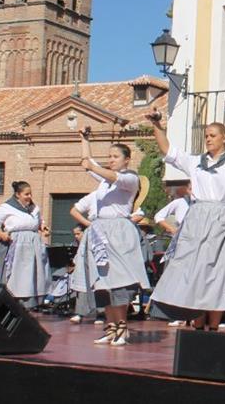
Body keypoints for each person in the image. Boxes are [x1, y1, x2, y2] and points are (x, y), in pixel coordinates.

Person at [147, 99, 225, 332]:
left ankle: (213, 325)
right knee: (188, 266)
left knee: (214, 271)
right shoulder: (196, 163)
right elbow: (168, 151)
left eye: (213, 134)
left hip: (222, 216)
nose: (208, 138)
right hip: (198, 216)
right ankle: (190, 318)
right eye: (206, 135)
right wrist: (157, 125)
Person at [72, 128, 151, 346]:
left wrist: (93, 166)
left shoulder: (130, 179)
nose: (111, 160)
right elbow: (89, 163)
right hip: (100, 231)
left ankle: (123, 327)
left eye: (115, 156)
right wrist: (84, 139)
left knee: (119, 282)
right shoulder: (104, 182)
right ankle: (111, 327)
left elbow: (106, 172)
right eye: (109, 156)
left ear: (127, 159)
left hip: (118, 232)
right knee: (102, 282)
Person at [0, 180, 52, 308]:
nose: (30, 197)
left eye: (30, 194)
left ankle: (31, 304)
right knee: (17, 276)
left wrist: (43, 227)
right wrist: (1, 234)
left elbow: (39, 221)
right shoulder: (6, 207)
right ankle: (13, 302)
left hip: (34, 244)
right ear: (18, 194)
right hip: (17, 245)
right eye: (26, 194)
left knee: (34, 276)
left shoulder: (34, 208)